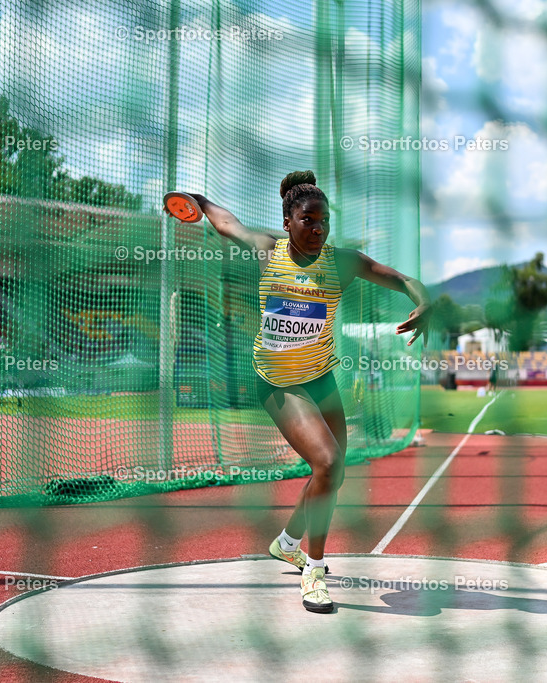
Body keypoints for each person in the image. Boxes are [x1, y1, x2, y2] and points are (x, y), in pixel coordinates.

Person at [165, 171, 432, 613]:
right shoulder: (268, 251)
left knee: (335, 472)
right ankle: (314, 571)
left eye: (324, 221)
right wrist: (198, 199)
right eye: (308, 220)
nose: (318, 229)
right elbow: (227, 223)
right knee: (327, 461)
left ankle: (287, 542)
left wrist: (423, 302)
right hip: (277, 381)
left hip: (321, 378)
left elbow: (404, 280)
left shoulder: (342, 262)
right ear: (287, 221)